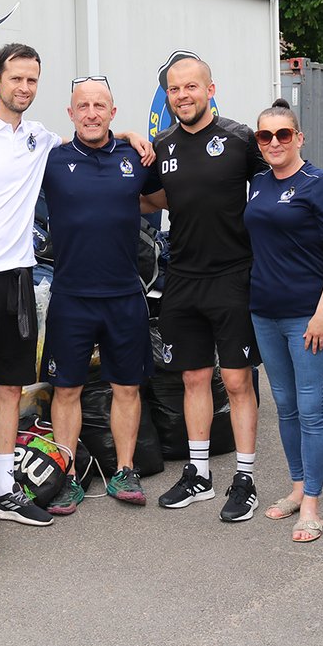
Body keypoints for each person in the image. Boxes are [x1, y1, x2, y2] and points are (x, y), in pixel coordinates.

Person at [0, 45, 152, 527]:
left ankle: (5, 489)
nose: (24, 88)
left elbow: (98, 139)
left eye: (32, 80)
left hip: (21, 282)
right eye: (16, 79)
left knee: (11, 388)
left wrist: (130, 134)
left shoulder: (39, 140)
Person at [140, 52, 268, 522]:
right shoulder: (164, 144)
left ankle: (245, 479)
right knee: (192, 378)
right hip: (183, 279)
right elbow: (152, 196)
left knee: (236, 380)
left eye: (191, 87)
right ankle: (198, 475)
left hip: (234, 277)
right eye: (174, 89)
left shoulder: (240, 139)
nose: (182, 96)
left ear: (210, 90)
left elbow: (278, 180)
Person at [37, 76, 158, 515]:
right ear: (70, 114)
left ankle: (125, 470)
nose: (91, 112)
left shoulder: (136, 156)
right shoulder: (50, 160)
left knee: (126, 386)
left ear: (113, 112)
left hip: (125, 295)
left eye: (99, 105)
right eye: (82, 105)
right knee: (65, 389)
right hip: (71, 296)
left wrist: (133, 139)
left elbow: (164, 196)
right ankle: (66, 474)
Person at [244, 99, 323, 543]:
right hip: (264, 313)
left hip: (307, 317)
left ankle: (311, 503)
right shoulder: (256, 184)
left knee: (311, 411)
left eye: (283, 135)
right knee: (285, 408)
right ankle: (294, 487)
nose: (274, 143)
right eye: (265, 136)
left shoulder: (320, 184)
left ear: (298, 138)